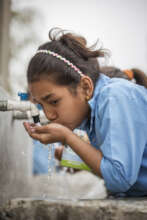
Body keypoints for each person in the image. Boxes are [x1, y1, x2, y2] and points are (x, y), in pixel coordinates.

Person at [23, 28, 147, 197]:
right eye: (41, 105)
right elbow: (112, 170)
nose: (49, 115)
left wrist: (68, 137)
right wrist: (73, 158)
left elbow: (120, 179)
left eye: (54, 102)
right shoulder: (91, 117)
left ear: (85, 87)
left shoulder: (115, 96)